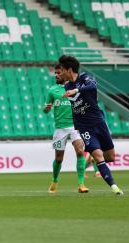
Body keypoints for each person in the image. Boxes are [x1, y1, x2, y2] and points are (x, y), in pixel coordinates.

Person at [59, 55, 123, 195]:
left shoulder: (84, 78)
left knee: (110, 157)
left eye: (62, 70)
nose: (61, 73)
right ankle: (114, 187)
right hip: (84, 127)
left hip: (99, 122)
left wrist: (76, 90)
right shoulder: (67, 86)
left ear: (69, 70)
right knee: (99, 156)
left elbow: (92, 86)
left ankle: (94, 160)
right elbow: (75, 106)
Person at [44, 64, 88, 193]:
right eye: (55, 74)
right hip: (60, 129)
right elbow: (46, 108)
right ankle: (55, 180)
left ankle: (81, 184)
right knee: (59, 158)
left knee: (80, 152)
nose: (56, 75)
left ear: (64, 73)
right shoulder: (52, 91)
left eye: (58, 73)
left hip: (75, 127)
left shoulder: (76, 88)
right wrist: (46, 109)